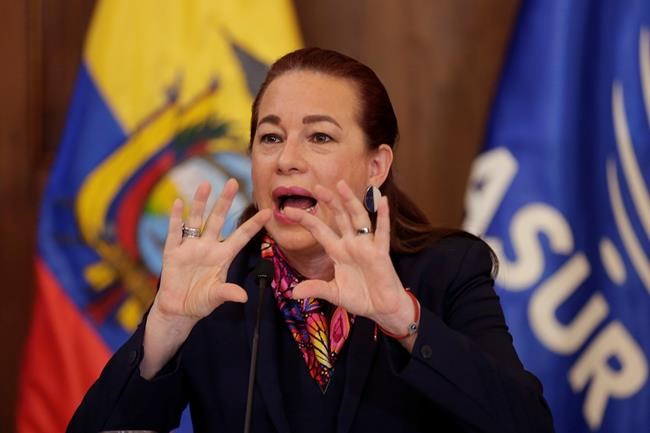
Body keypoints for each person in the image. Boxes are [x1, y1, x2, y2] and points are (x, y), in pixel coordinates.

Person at [67, 47, 555, 433]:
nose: (286, 160)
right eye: (270, 137)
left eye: (319, 137)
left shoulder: (445, 270)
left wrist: (405, 320)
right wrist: (165, 329)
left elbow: (527, 423)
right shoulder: (216, 286)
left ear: (376, 166)